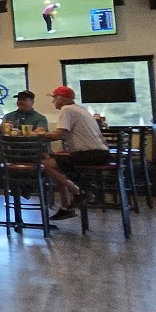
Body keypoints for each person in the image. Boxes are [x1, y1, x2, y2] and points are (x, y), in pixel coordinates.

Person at [35, 85, 110, 217]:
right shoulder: (79, 109)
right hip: (100, 153)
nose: (53, 102)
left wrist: (39, 133)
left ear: (62, 99)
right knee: (54, 164)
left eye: (54, 99)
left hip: (90, 154)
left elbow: (58, 135)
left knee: (46, 164)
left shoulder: (67, 109)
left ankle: (80, 191)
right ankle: (66, 207)